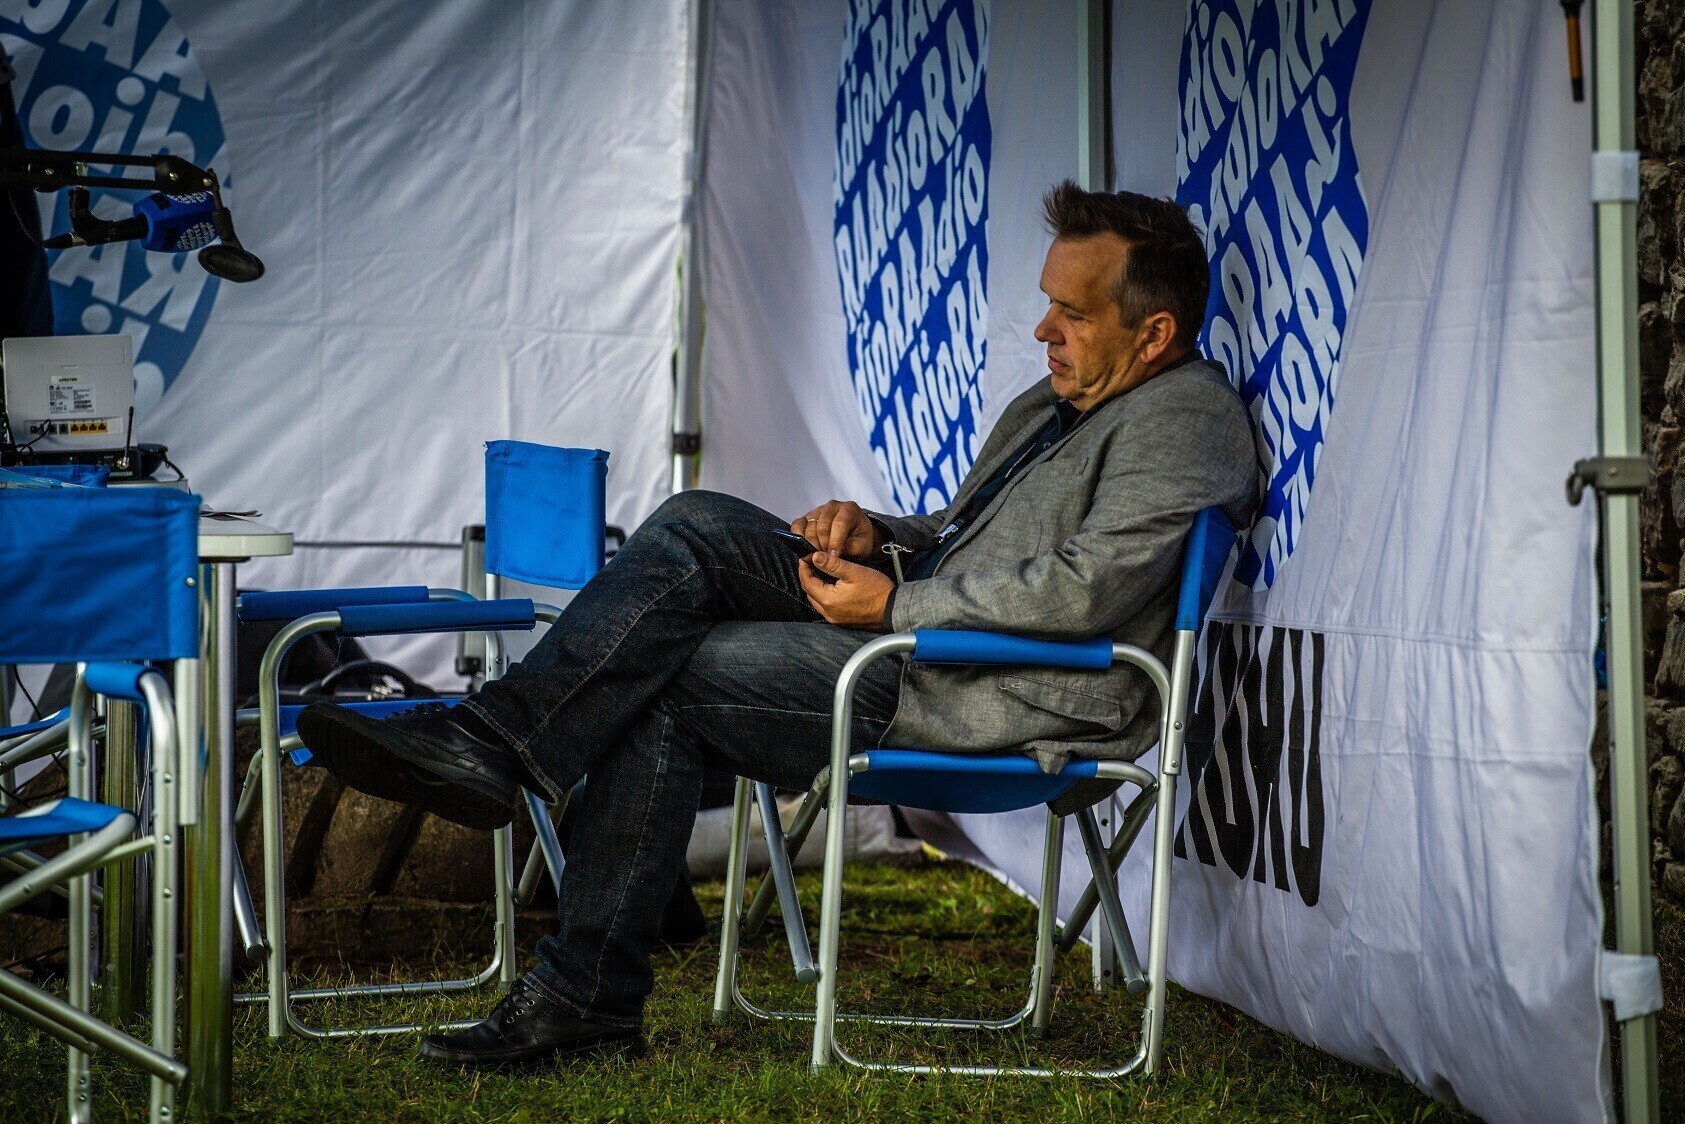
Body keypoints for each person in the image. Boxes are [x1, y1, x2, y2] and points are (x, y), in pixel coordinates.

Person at [298, 180, 1259, 1069]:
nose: (1044, 328)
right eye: (1047, 302)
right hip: (919, 637)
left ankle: (577, 980)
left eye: (1072, 313)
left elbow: (1084, 592)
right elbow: (957, 536)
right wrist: (875, 534)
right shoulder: (1061, 397)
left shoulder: (1185, 417)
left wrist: (894, 604)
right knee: (694, 523)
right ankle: (493, 748)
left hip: (994, 688)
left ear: (1153, 333)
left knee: (663, 678)